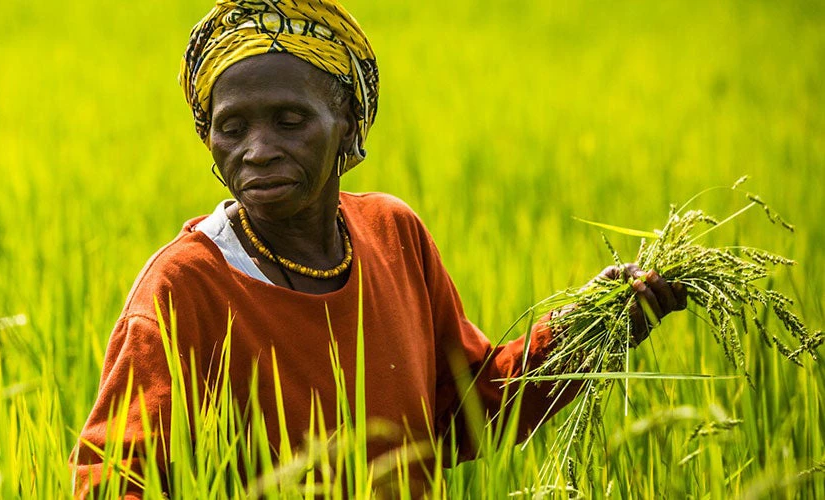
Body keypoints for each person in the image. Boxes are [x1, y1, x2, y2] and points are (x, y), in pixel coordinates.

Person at [72, 0, 687, 497]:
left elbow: (462, 412)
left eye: (290, 121)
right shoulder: (184, 289)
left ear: (349, 123)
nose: (257, 150)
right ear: (208, 136)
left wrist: (591, 329)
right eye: (233, 128)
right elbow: (111, 481)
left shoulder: (394, 236)